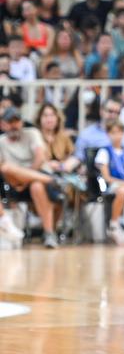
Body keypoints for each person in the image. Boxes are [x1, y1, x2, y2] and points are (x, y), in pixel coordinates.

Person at [0, 106, 66, 248]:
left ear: (21, 122)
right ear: (2, 124)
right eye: (10, 121)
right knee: (5, 167)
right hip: (14, 184)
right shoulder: (1, 142)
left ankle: (49, 234)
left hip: (37, 177)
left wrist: (27, 177)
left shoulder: (32, 133)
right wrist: (21, 178)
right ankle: (53, 181)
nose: (14, 125)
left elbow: (40, 157)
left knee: (36, 186)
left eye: (16, 121)